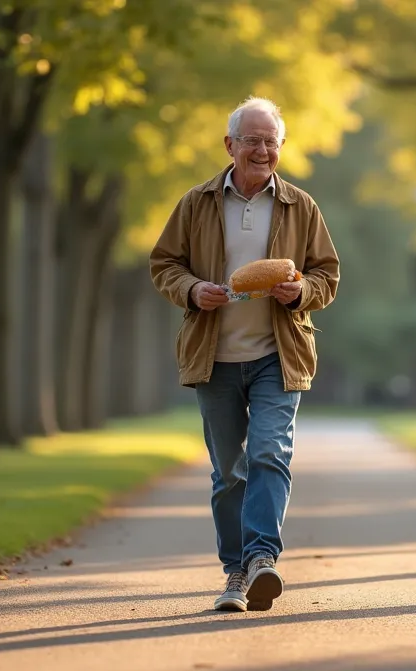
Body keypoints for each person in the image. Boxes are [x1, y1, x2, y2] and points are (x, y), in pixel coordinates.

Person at [148, 97, 340, 612]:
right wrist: (191, 290)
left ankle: (260, 560)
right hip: (214, 355)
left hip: (280, 353)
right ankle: (234, 572)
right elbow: (164, 263)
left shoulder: (302, 206)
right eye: (251, 140)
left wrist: (300, 292)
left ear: (281, 147)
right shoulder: (196, 203)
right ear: (229, 145)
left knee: (269, 452)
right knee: (229, 470)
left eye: (270, 141)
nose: (261, 150)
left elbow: (327, 274)